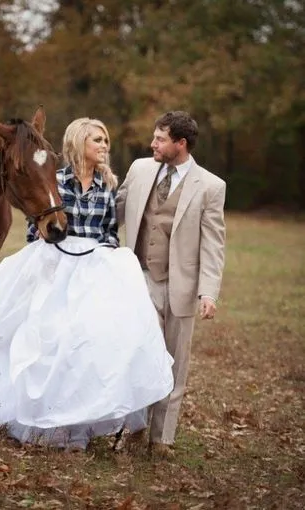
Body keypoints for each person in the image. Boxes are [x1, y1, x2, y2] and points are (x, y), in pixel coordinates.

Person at [0, 117, 174, 451]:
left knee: (88, 345)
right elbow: (36, 227)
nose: (104, 146)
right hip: (57, 263)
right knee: (48, 343)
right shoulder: (54, 180)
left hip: (94, 266)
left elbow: (108, 232)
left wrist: (108, 263)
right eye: (97, 139)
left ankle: (81, 419)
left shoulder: (106, 184)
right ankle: (44, 420)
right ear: (78, 142)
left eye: (106, 140)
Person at [116, 111, 226, 458]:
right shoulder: (139, 169)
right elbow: (113, 211)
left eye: (160, 139)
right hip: (138, 278)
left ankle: (161, 439)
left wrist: (208, 291)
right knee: (135, 356)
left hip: (180, 284)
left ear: (181, 144)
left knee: (174, 363)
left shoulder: (210, 186)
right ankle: (131, 429)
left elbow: (213, 242)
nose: (153, 144)